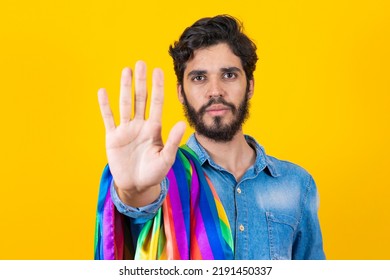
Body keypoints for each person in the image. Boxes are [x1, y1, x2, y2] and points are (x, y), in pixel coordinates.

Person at [94, 14, 325, 260]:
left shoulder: (297, 184)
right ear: (181, 93)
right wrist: (133, 193)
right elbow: (135, 221)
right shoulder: (161, 175)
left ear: (250, 86)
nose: (215, 91)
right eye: (199, 78)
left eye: (229, 75)